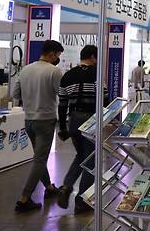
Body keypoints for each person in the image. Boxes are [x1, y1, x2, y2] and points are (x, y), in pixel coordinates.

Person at [11, 39, 64, 213]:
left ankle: (49, 188)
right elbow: (61, 95)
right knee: (39, 160)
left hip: (29, 120)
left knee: (38, 158)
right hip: (46, 120)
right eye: (58, 55)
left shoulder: (25, 69)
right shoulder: (54, 71)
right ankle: (24, 199)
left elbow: (15, 94)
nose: (58, 58)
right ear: (52, 54)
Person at [56, 45, 107, 214]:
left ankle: (66, 186)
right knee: (91, 159)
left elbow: (62, 104)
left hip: (73, 120)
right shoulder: (96, 74)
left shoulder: (67, 75)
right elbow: (105, 98)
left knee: (80, 155)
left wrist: (63, 127)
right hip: (91, 119)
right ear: (93, 57)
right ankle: (82, 200)